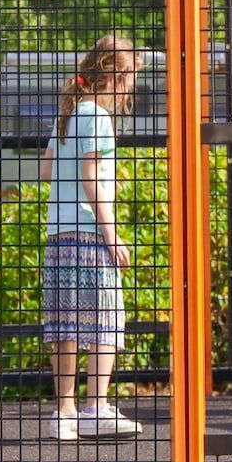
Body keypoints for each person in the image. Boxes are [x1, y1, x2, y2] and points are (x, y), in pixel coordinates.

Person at [41, 35, 143, 441]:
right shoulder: (98, 119)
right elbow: (89, 179)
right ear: (114, 75)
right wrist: (112, 235)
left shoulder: (68, 115)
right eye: (131, 77)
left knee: (65, 321)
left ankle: (63, 414)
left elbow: (48, 171)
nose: (132, 86)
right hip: (89, 232)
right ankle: (96, 406)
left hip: (58, 233)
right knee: (105, 318)